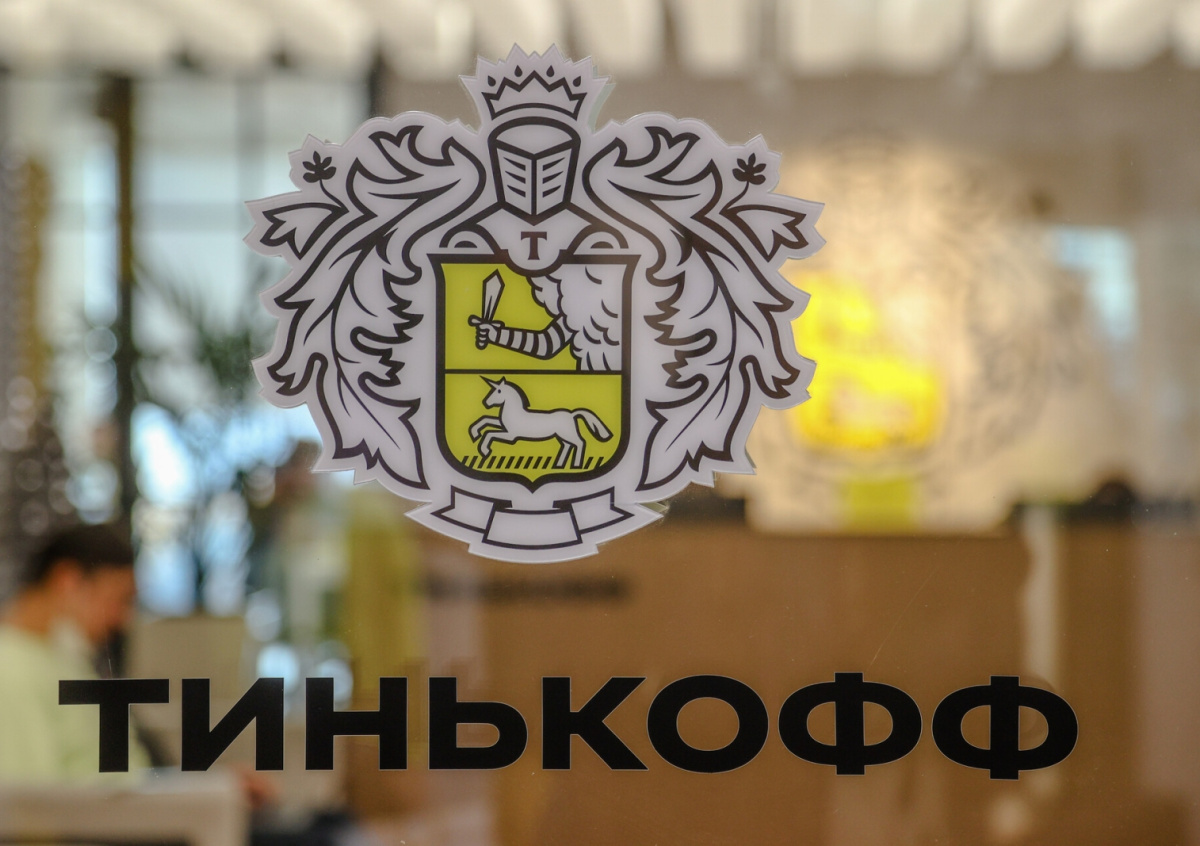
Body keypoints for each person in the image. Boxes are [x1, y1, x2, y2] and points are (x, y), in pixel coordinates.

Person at [0, 523, 148, 783]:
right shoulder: (10, 669)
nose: (122, 620)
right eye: (119, 600)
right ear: (67, 580)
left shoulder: (60, 656)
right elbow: (31, 799)